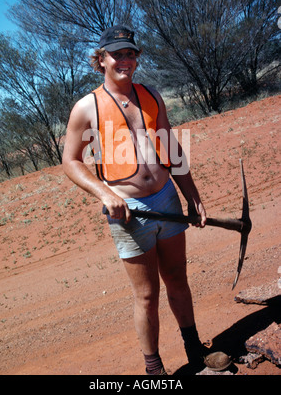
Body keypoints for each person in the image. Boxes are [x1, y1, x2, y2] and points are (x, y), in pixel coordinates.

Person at [62, 24, 207, 375]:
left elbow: (170, 145)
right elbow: (70, 160)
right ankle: (154, 371)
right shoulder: (87, 108)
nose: (125, 60)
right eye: (117, 54)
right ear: (101, 60)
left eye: (131, 53)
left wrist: (193, 196)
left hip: (166, 198)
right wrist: (105, 193)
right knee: (146, 295)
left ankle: (196, 354)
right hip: (129, 211)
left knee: (177, 279)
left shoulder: (151, 95)